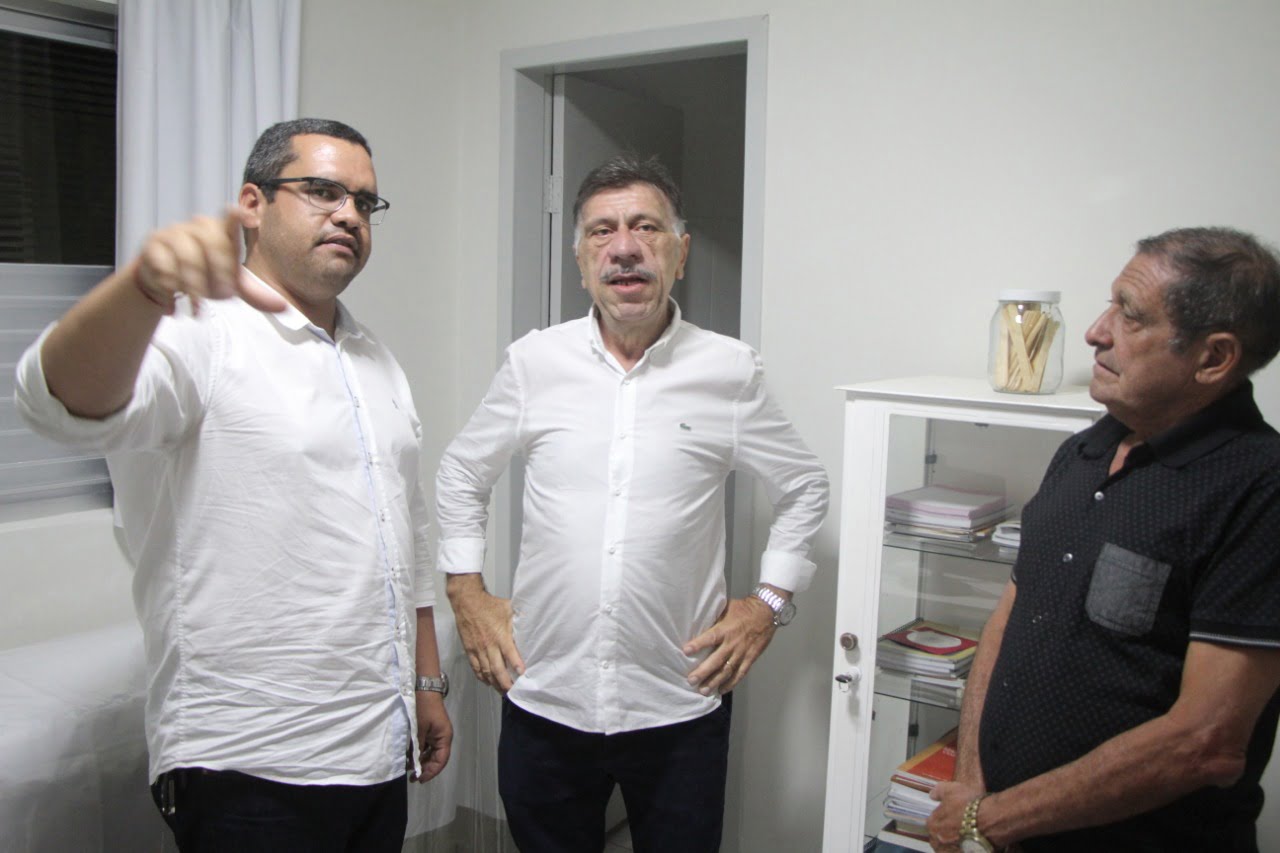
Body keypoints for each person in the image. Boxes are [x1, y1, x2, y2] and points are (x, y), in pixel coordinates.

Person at [15, 118, 452, 852]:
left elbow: (406, 536)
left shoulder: (374, 360)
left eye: (364, 202)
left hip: (377, 746)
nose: (348, 214)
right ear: (253, 203)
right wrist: (141, 289)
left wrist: (427, 684)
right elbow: (56, 403)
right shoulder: (195, 331)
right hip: (248, 762)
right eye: (322, 191)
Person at [435, 154, 828, 852]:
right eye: (602, 231)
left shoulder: (729, 371)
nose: (624, 247)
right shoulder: (534, 364)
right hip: (545, 696)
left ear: (681, 252)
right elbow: (463, 471)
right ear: (582, 261)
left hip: (677, 704)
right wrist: (466, 592)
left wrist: (767, 603)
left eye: (646, 227)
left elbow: (804, 485)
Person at [927, 227, 1280, 852]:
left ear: (1213, 358)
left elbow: (1206, 740)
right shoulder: (1084, 451)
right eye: (1111, 304)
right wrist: (974, 789)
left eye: (1131, 315)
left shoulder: (1259, 488)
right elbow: (1009, 619)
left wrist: (990, 818)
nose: (1096, 331)